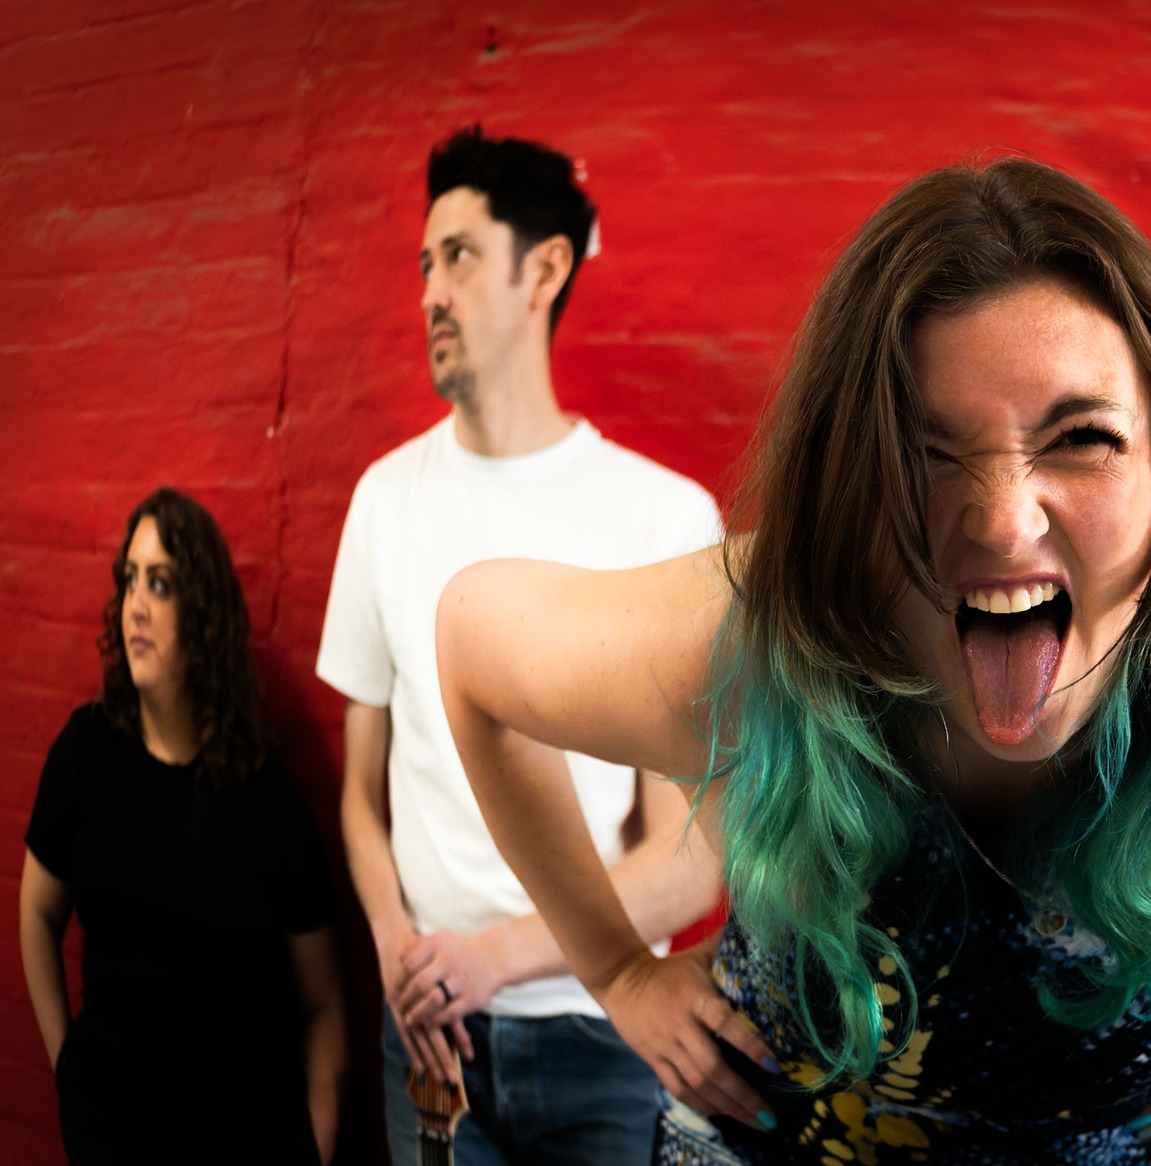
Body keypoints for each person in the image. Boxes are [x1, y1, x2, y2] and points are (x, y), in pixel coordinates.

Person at [432, 156, 1151, 1166]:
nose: (999, 522)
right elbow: (474, 638)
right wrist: (619, 972)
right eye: (920, 448)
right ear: (844, 484)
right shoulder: (762, 640)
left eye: (1081, 437)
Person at [316, 126, 725, 1163]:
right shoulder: (384, 501)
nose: (429, 293)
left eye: (457, 256)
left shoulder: (663, 519)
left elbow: (688, 857)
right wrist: (398, 949)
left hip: (603, 1032)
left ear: (543, 270)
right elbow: (361, 796)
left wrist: (492, 958)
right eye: (423, 264)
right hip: (428, 1033)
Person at [19, 488, 347, 1163]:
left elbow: (324, 1005)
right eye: (130, 579)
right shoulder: (86, 751)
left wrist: (310, 1147)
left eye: (161, 584)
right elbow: (36, 915)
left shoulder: (266, 799)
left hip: (244, 1139)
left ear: (203, 615)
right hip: (111, 1135)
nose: (135, 605)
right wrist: (68, 1073)